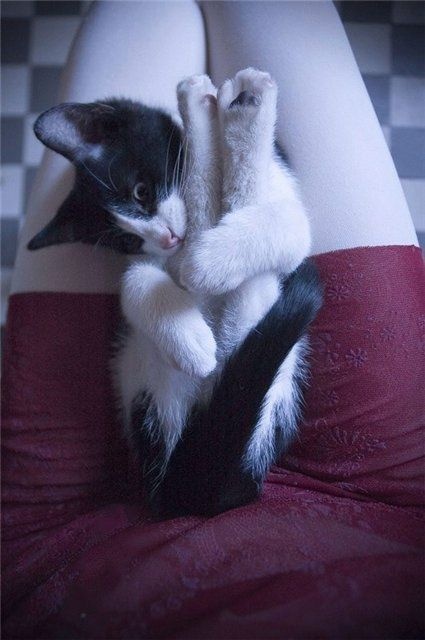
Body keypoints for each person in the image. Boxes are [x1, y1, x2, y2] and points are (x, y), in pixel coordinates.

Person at [3, 3, 423, 638]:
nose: (160, 235)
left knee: (146, 10)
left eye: (141, 201)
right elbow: (287, 244)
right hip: (367, 494)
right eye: (135, 232)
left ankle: (202, 137)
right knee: (216, 274)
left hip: (67, 535)